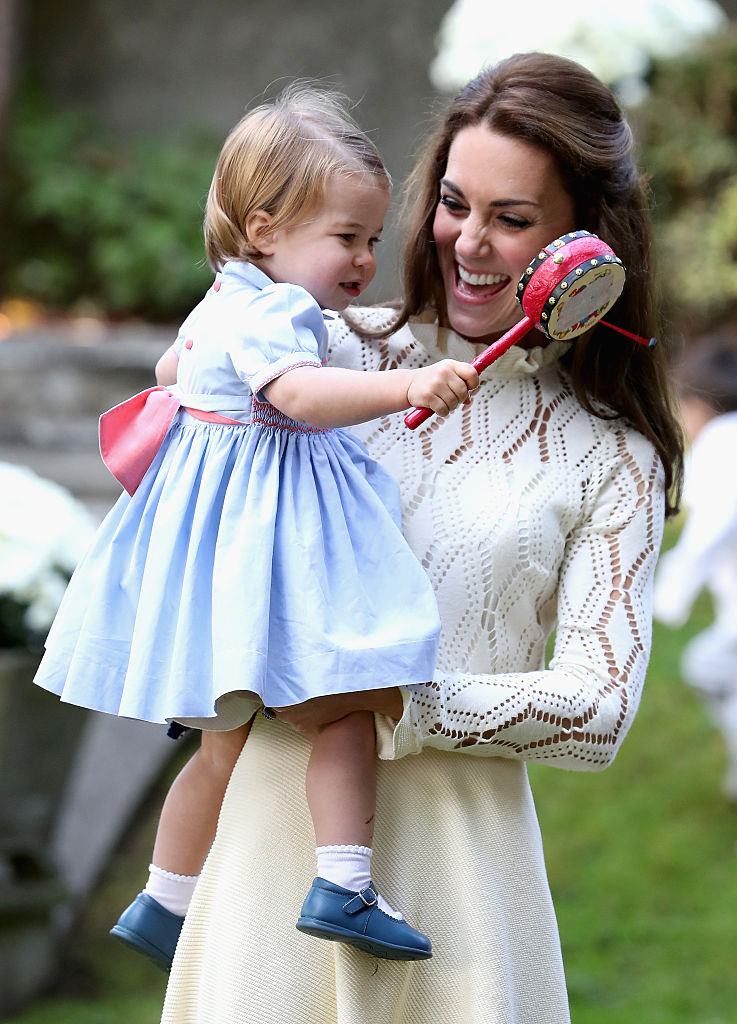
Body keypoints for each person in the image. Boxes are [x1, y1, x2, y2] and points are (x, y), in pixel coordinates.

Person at [160, 52, 684, 1024]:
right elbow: (187, 452)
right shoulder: (318, 349)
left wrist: (402, 697)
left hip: (460, 872)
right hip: (269, 846)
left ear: (584, 240)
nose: (468, 243)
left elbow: (597, 707)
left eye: (511, 218)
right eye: (452, 203)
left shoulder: (608, 456)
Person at [34, 84, 480, 969]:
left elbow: (171, 371)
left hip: (215, 578)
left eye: (368, 239)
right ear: (266, 229)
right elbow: (300, 397)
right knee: (350, 711)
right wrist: (404, 387)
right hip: (267, 564)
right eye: (344, 238)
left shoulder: (220, 303)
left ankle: (164, 901)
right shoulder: (281, 312)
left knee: (217, 749)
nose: (361, 260)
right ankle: (343, 883)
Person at [653, 334, 737, 859]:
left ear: (697, 406)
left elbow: (714, 527)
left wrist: (668, 597)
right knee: (705, 667)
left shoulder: (719, 449)